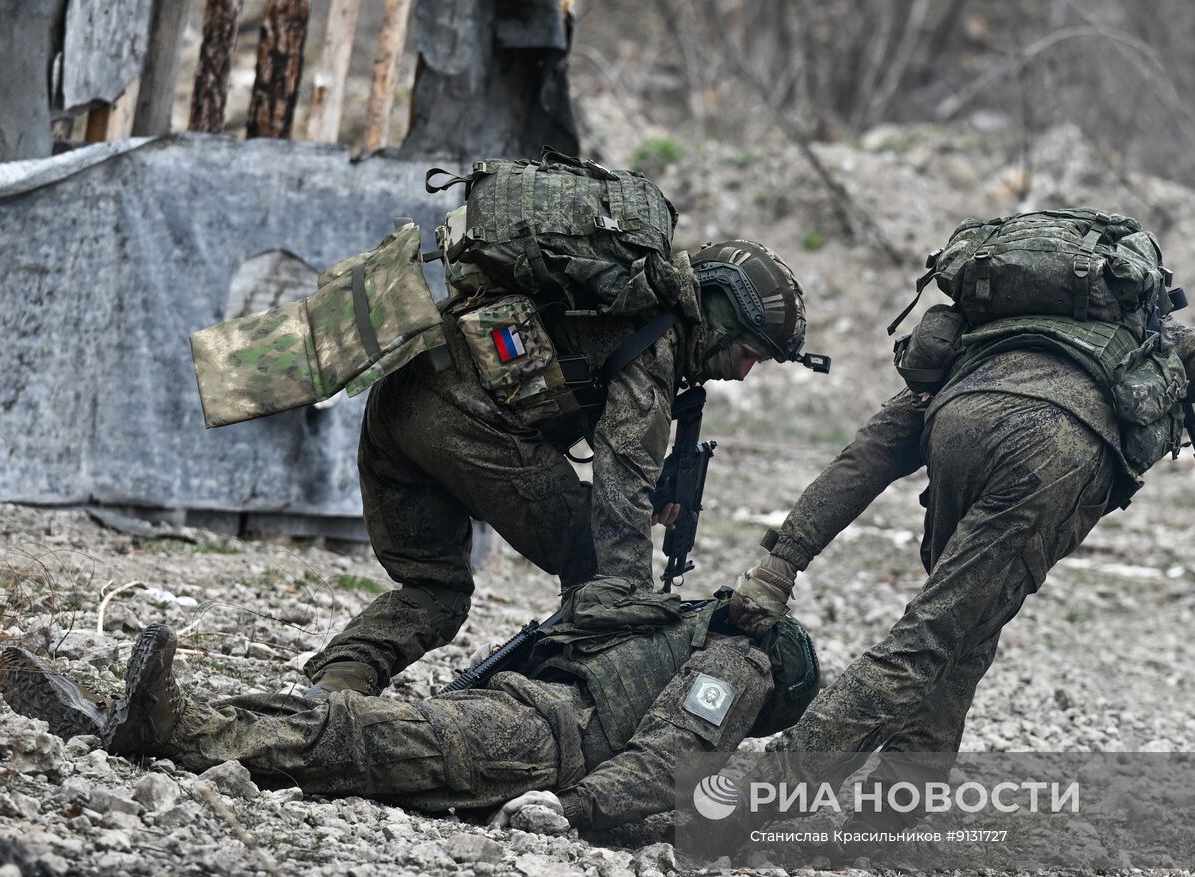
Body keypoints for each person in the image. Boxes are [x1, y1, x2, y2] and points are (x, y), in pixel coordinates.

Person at [727, 211, 1195, 777]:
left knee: (963, 626)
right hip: (1052, 451)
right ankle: (762, 792)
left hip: (958, 425)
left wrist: (781, 567)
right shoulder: (1149, 337)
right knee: (931, 636)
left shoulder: (973, 343)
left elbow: (865, 459)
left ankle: (891, 810)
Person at [305, 237, 820, 700]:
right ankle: (565, 697)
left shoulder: (622, 303)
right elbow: (621, 502)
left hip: (399, 395)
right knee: (601, 566)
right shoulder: (654, 338)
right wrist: (634, 620)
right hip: (469, 424)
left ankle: (340, 679)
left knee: (434, 589)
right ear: (719, 317)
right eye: (748, 353)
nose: (744, 373)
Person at [0, 581, 819, 832]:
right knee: (368, 734)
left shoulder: (737, 666)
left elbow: (670, 758)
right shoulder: (693, 632)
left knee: (364, 735)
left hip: (540, 742)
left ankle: (173, 728)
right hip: (525, 716)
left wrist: (570, 812)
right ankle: (145, 721)